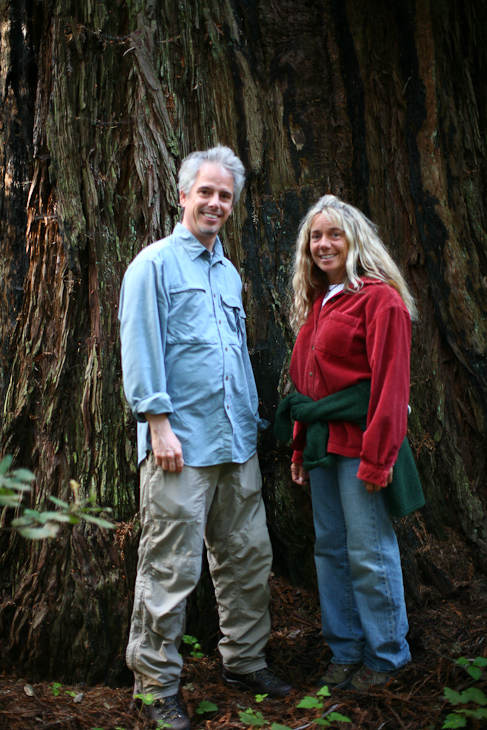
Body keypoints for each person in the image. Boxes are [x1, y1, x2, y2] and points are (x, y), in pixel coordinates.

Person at [119, 146, 291, 730]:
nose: (215, 203)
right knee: (169, 570)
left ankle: (244, 662)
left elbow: (233, 358)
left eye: (225, 196)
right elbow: (140, 350)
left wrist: (254, 427)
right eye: (207, 192)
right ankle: (155, 688)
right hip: (179, 449)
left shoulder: (229, 272)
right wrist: (156, 425)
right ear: (184, 194)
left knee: (248, 560)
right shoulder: (154, 265)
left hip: (236, 444)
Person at [280, 194, 420, 692]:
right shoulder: (319, 303)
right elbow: (307, 389)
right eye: (316, 236)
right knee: (330, 551)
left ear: (355, 240)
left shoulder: (380, 299)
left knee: (368, 550)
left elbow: (390, 388)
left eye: (334, 234)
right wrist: (299, 447)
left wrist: (380, 459)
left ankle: (386, 658)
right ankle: (345, 653)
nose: (323, 244)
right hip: (323, 449)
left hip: (363, 446)